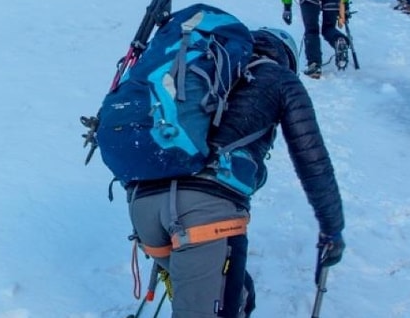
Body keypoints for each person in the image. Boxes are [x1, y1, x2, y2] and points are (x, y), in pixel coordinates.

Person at [127, 27, 346, 317]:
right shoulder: (281, 79)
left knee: (239, 292)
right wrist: (332, 228)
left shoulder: (204, 65)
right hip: (205, 211)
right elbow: (312, 159)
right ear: (287, 58)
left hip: (144, 202)